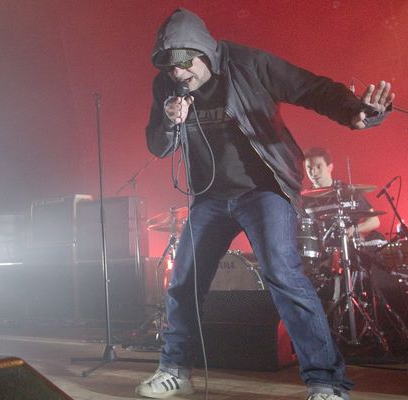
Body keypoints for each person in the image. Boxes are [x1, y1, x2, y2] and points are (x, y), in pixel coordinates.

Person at [138, 8, 394, 400]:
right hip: (210, 196)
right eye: (171, 70)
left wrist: (353, 112)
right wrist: (171, 122)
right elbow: (158, 146)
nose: (178, 76)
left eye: (184, 67)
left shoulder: (247, 63)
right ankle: (175, 369)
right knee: (183, 281)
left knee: (283, 275)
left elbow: (309, 87)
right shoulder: (168, 88)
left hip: (264, 189)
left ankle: (326, 382)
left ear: (203, 51)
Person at [303, 146, 380, 240]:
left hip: (348, 247)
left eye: (318, 167)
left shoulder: (348, 191)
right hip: (319, 251)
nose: (314, 172)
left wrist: (354, 229)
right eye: (309, 168)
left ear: (330, 167)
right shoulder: (304, 198)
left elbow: (374, 221)